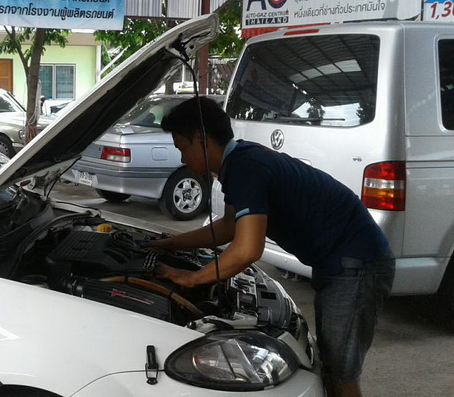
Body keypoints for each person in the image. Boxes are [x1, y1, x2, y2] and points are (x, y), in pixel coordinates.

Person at [146, 97, 395, 397]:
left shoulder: (246, 167)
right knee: (331, 364)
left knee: (340, 371)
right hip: (341, 261)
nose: (183, 158)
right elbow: (228, 227)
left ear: (201, 138)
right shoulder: (240, 159)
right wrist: (171, 243)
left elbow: (248, 249)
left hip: (357, 263)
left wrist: (194, 278)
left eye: (182, 148)